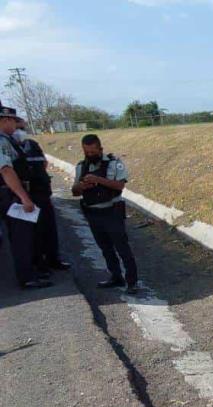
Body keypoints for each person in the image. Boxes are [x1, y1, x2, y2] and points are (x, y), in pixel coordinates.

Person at [71, 134, 138, 294]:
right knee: (105, 248)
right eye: (86, 152)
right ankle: (116, 276)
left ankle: (132, 282)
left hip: (112, 212)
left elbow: (120, 186)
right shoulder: (81, 166)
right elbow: (74, 192)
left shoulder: (114, 164)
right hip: (93, 213)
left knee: (122, 247)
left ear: (100, 149)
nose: (89, 155)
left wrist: (98, 180)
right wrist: (81, 187)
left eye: (93, 152)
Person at [0, 105, 50, 289]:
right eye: (13, 121)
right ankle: (27, 277)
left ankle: (32, 272)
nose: (16, 124)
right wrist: (24, 197)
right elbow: (5, 170)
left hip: (10, 192)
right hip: (9, 193)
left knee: (23, 236)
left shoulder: (8, 140)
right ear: (5, 120)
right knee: (21, 237)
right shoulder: (1, 142)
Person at [13, 119, 70, 274]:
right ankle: (39, 265)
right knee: (34, 234)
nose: (20, 131)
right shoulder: (10, 147)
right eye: (18, 128)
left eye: (22, 128)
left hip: (43, 193)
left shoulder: (32, 144)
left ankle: (54, 260)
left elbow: (43, 163)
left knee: (50, 229)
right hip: (28, 196)